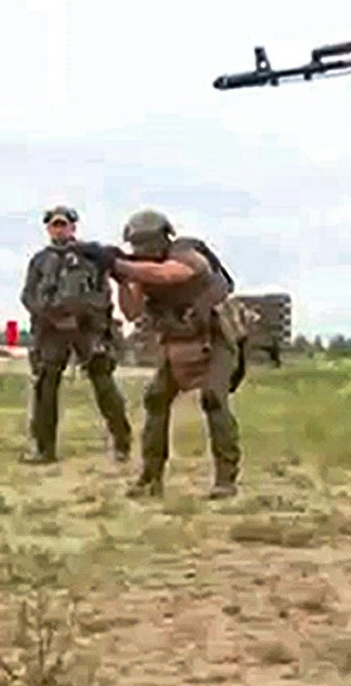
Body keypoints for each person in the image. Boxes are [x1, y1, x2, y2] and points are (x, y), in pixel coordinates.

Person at [97, 210, 242, 499]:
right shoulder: (139, 269)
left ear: (164, 237)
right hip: (176, 341)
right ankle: (151, 478)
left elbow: (170, 273)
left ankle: (226, 479)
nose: (143, 248)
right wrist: (120, 277)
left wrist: (120, 264)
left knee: (213, 399)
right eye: (136, 243)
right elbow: (132, 311)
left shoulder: (187, 253)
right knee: (155, 398)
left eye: (147, 241)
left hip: (214, 337)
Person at [19, 205, 132, 463]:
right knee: (45, 386)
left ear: (73, 226)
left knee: (104, 383)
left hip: (86, 329)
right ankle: (44, 449)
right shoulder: (40, 260)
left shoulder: (90, 256)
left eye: (63, 224)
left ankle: (122, 443)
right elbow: (28, 295)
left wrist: (82, 316)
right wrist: (52, 316)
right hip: (51, 331)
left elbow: (103, 295)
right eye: (54, 225)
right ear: (48, 229)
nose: (59, 229)